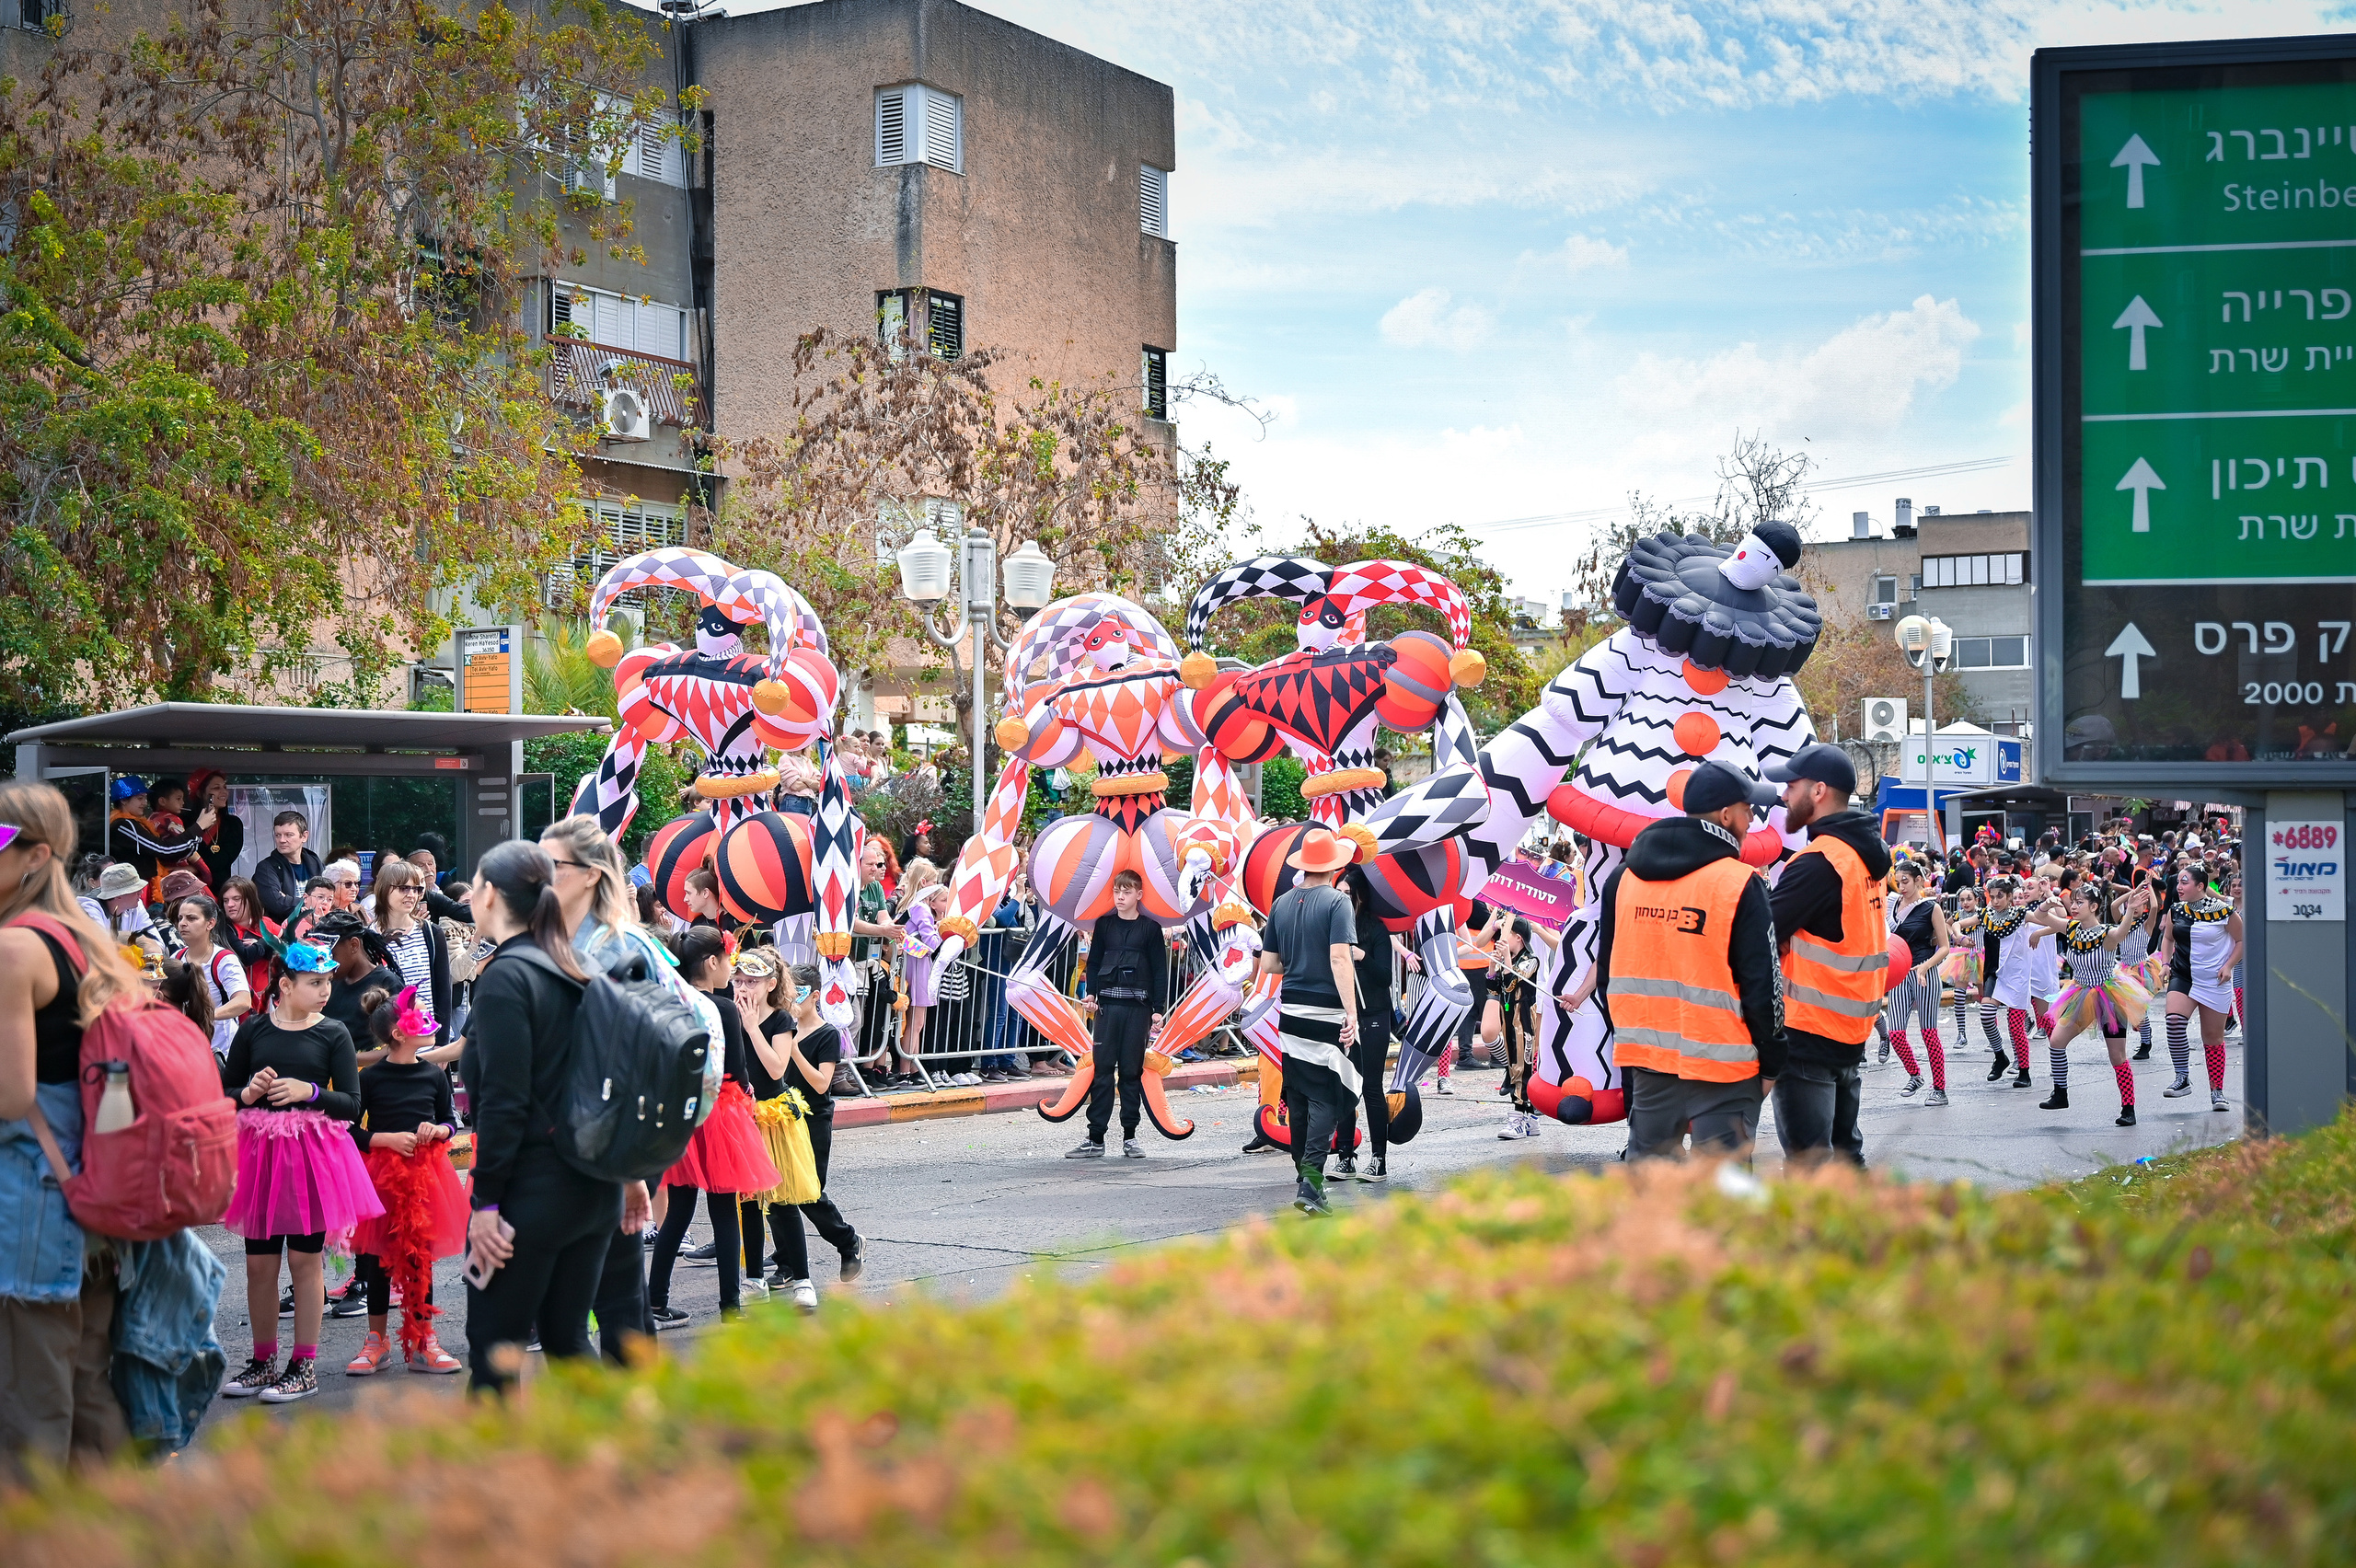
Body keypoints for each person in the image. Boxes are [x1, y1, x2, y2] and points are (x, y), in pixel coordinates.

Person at [461, 839, 643, 1396]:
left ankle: (492, 1479)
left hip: (532, 1195)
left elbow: (504, 1104)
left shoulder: (506, 977)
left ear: (490, 894)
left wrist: (485, 1204)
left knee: (495, 1355)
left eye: (473, 884)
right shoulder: (577, 963)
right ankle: (634, 1456)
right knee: (567, 1341)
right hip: (592, 1189)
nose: (469, 895)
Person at [0, 782, 137, 1480]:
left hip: (29, 1197)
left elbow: (11, 1094)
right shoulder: (89, 941)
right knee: (89, 1395)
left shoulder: (14, 949)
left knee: (29, 1406)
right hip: (96, 1194)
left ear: (36, 855)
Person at [539, 813, 706, 1367]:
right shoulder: (552, 936)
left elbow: (633, 1059)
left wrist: (632, 1170)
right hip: (564, 1137)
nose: (542, 874)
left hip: (606, 1142)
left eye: (553, 865)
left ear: (589, 875)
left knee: (614, 1298)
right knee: (585, 1299)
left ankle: (631, 1418)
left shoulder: (616, 948)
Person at [1588, 761, 1786, 1165]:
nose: (1752, 820)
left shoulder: (1622, 879)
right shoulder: (1740, 883)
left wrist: (1634, 1039)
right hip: (1724, 1065)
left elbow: (1607, 972)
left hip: (1645, 1061)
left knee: (1653, 1185)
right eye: (1749, 809)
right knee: (1722, 1195)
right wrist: (1772, 1061)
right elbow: (1764, 986)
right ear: (1727, 815)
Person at [218, 940, 382, 1404]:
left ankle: (302, 1364)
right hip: (261, 1157)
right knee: (258, 1265)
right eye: (315, 983)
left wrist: (309, 1091)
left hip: (310, 1158)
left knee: (305, 1263)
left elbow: (352, 1104)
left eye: (327, 981)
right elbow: (225, 1093)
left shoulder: (333, 1032)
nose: (325, 990)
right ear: (285, 986)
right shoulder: (252, 1032)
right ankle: (262, 1359)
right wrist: (249, 1093)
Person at [1761, 745, 1892, 1167]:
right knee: (1845, 1158)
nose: (1783, 795)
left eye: (1790, 785)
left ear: (1818, 791)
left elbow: (1760, 936)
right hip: (1849, 1030)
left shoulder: (1819, 862)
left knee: (1809, 1167)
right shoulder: (1864, 856)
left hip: (1808, 1033)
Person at [647, 928, 778, 1328]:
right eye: (727, 961)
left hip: (682, 1115)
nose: (730, 969)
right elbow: (736, 1071)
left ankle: (656, 1300)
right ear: (710, 963)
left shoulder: (669, 1003)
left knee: (679, 1213)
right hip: (719, 1112)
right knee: (724, 1210)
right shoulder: (722, 1008)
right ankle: (730, 1307)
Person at [340, 986, 467, 1375]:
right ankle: (376, 1341)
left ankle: (424, 1337)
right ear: (399, 1032)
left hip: (426, 1176)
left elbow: (450, 1120)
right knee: (378, 1258)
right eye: (420, 1016)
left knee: (421, 1257)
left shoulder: (433, 1074)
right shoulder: (372, 1078)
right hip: (381, 1175)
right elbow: (350, 1128)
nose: (430, 1022)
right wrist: (385, 1139)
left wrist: (439, 1131)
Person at [739, 957, 865, 1310]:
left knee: (806, 1193)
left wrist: (792, 1047)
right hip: (776, 1112)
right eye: (739, 981)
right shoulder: (765, 1021)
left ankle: (846, 1241)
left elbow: (822, 1083)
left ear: (815, 995)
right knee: (775, 1198)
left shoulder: (824, 1034)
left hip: (812, 1116)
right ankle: (785, 1265)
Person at [1256, 828, 1362, 1216]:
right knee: (1327, 1097)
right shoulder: (1338, 903)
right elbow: (1339, 959)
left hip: (1292, 1009)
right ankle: (1312, 1181)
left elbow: (1269, 964)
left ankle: (1306, 1176)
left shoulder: (1282, 903)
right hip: (1326, 1009)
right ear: (1334, 866)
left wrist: (1299, 961)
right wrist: (1351, 1013)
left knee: (1298, 1094)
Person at [1065, 869, 1168, 1160]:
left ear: (1139, 895)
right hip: (1107, 1010)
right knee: (1102, 1072)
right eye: (1116, 892)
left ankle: (1130, 1137)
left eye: (1126, 892)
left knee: (1131, 1073)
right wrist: (1092, 994)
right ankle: (1095, 1137)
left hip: (1138, 1010)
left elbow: (1160, 971)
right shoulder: (1105, 925)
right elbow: (1094, 964)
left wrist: (1158, 1009)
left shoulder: (1150, 928)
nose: (1120, 897)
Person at [2033, 882, 2154, 1124]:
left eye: (2080, 903)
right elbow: (2040, 917)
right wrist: (2048, 900)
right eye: (2074, 902)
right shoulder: (2071, 928)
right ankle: (2060, 1093)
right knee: (2056, 1041)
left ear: (2094, 907)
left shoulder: (2106, 933)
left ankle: (2128, 1108)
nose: (2074, 906)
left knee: (2117, 1056)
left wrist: (2130, 909)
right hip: (2080, 993)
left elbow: (2121, 933)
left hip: (2110, 995)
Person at [2159, 864, 2240, 1113]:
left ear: (2201, 886)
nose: (2179, 887)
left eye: (2184, 883)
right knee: (2173, 1021)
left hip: (2214, 980)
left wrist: (2229, 966)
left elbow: (2241, 940)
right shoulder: (2176, 910)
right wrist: (2164, 963)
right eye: (2179, 882)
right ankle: (2182, 1077)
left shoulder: (2224, 911)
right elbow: (2169, 938)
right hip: (2183, 975)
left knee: (2213, 1038)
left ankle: (2217, 1091)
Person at [1336, 868, 1396, 1176]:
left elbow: (1385, 977)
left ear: (1359, 896)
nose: (1342, 899)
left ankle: (1378, 1158)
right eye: (1339, 893)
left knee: (1371, 1085)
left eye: (1347, 894)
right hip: (1345, 1015)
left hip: (1373, 1014)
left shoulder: (1376, 930)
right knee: (1346, 1084)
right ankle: (1345, 1155)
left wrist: (1362, 956)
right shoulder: (1333, 927)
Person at [1883, 860, 1952, 1105]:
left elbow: (1945, 947)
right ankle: (1914, 1074)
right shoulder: (1890, 905)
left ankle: (1939, 1088)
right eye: (1898, 881)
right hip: (1899, 973)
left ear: (1918, 881)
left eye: (1906, 881)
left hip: (1925, 971)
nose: (1901, 887)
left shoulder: (1930, 908)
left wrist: (1925, 966)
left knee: (1928, 1031)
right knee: (1895, 1032)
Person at [369, 858, 451, 1046]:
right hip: (389, 1040)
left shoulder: (431, 932)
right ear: (384, 890)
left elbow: (443, 991)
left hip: (428, 1037)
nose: (411, 895)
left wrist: (441, 1043)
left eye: (416, 889)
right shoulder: (370, 937)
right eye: (403, 888)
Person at [170, 894, 251, 1058]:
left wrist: (205, 1016)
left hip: (221, 1050)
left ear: (210, 923)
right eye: (180, 918)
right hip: (184, 1047)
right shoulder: (176, 958)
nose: (183, 923)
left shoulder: (224, 960)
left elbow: (243, 1002)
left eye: (192, 918)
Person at [309, 909, 399, 1043]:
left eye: (332, 956)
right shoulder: (329, 982)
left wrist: (345, 1058)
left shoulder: (387, 982)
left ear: (354, 945)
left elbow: (399, 1045)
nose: (327, 964)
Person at [253, 810, 323, 926]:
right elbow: (277, 903)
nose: (282, 840)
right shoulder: (266, 868)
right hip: (282, 935)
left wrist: (289, 899)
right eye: (277, 835)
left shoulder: (315, 862)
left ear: (304, 836)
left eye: (288, 835)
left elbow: (329, 896)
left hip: (315, 930)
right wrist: (312, 902)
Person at [187, 770, 243, 892]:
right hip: (188, 889)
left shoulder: (233, 824)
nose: (224, 792)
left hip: (220, 892)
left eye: (225, 787)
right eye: (216, 788)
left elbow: (224, 859)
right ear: (200, 793)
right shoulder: (185, 822)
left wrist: (193, 868)